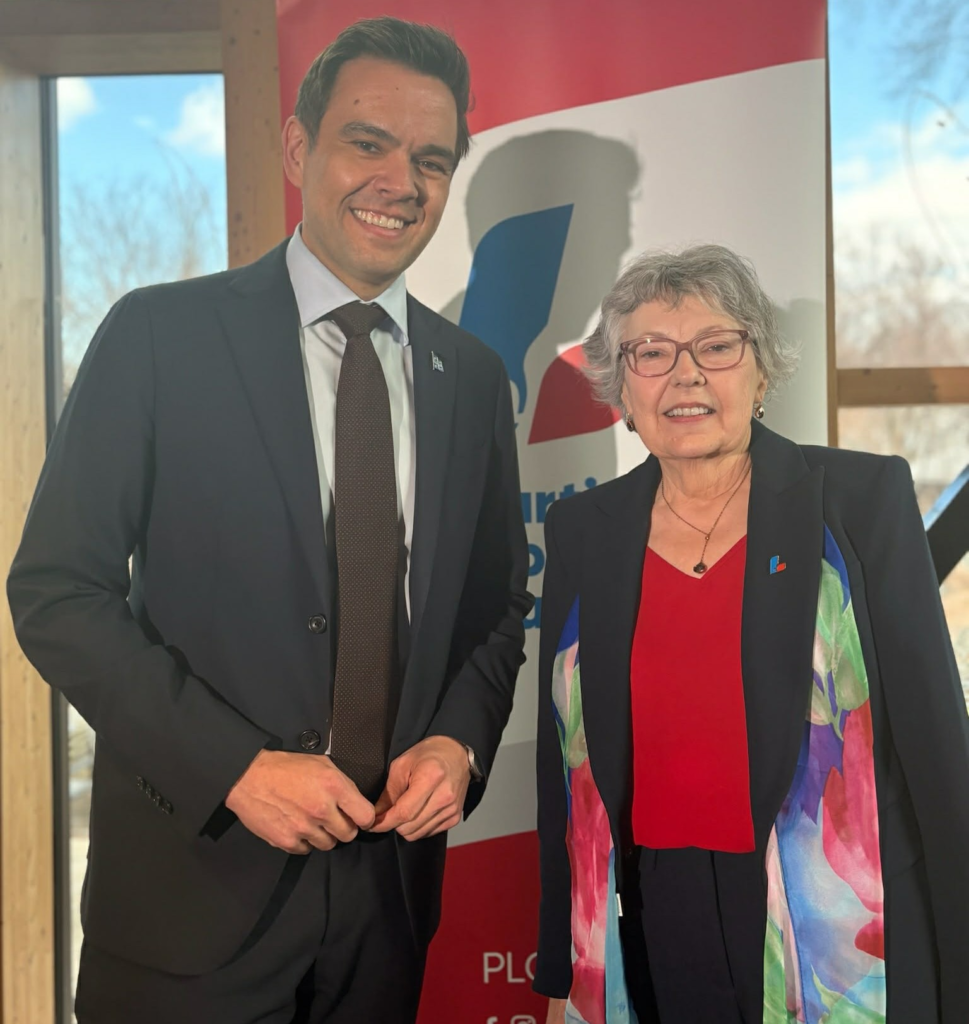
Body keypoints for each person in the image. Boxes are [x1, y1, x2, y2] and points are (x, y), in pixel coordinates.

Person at [8, 16, 532, 1024]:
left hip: (386, 910)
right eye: (366, 142)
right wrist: (233, 768)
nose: (401, 180)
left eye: (432, 158)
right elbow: (57, 593)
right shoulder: (159, 337)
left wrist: (461, 740)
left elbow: (495, 606)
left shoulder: (470, 379)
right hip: (187, 914)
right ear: (298, 149)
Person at [533, 244, 969, 1024]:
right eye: (652, 353)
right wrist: (560, 933)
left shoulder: (859, 502)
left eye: (716, 346)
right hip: (651, 907)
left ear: (760, 372)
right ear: (621, 389)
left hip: (826, 915)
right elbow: (558, 754)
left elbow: (936, 743)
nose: (685, 374)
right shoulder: (582, 530)